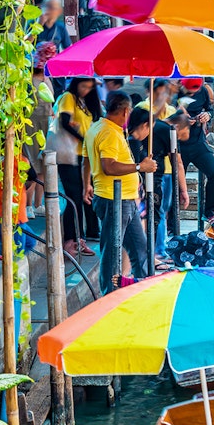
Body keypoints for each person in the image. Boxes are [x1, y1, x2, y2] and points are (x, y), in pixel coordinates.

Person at [82, 92, 158, 293]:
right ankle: (108, 292)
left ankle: (144, 286)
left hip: (125, 198)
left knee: (139, 247)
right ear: (126, 111)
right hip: (113, 199)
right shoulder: (108, 132)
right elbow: (109, 166)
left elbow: (87, 160)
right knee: (112, 251)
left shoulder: (97, 127)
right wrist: (140, 167)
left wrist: (86, 184)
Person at [126, 109, 189, 263]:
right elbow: (178, 163)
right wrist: (184, 189)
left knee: (151, 217)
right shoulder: (133, 140)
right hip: (143, 185)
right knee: (150, 217)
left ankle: (151, 256)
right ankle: (151, 256)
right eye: (149, 127)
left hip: (144, 183)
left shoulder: (131, 138)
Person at [52, 77, 102, 257]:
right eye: (83, 86)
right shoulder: (68, 97)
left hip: (82, 155)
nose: (86, 90)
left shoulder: (85, 102)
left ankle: (79, 238)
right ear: (76, 84)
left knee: (81, 195)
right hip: (67, 154)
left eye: (89, 87)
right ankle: (71, 240)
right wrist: (84, 138)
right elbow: (65, 122)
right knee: (74, 196)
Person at [177, 78, 214, 227]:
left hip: (197, 142)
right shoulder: (172, 93)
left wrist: (207, 116)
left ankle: (209, 212)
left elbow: (209, 109)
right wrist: (182, 119)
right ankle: (171, 220)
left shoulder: (203, 91)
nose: (192, 93)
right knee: (173, 182)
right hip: (177, 145)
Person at [0, 156, 38, 255]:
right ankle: (10, 267)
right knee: (15, 253)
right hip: (11, 218)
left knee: (30, 242)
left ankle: (5, 259)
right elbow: (33, 177)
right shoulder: (19, 160)